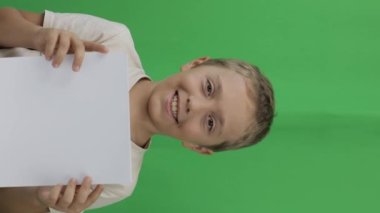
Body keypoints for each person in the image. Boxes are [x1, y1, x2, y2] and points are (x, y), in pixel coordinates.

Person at [0, 7, 275, 213]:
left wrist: (38, 199)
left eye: (211, 123)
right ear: (195, 64)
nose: (195, 105)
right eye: (209, 88)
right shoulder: (113, 40)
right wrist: (36, 35)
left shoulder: (120, 181)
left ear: (198, 146)